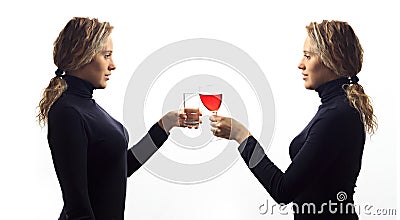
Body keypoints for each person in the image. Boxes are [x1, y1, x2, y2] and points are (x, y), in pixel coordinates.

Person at [210, 20, 377, 219]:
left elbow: (283, 190)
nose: (300, 64)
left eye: (308, 56)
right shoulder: (336, 109)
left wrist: (241, 136)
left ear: (333, 58)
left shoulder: (337, 115)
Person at [37, 17, 192, 219]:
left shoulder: (86, 107)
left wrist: (164, 126)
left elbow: (120, 168)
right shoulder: (67, 112)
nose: (113, 65)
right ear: (83, 55)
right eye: (107, 55)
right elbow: (77, 207)